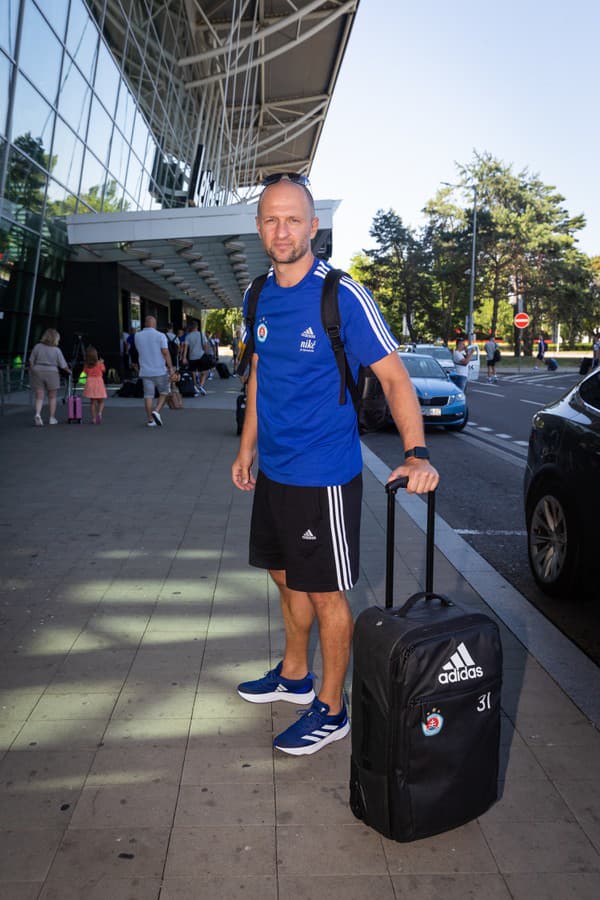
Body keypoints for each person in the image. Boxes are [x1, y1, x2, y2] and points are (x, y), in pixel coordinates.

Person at [231, 173, 439, 756]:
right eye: (271, 219)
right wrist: (247, 448)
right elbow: (259, 375)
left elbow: (395, 377)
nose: (281, 229)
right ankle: (294, 675)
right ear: (258, 227)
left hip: (323, 475)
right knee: (281, 573)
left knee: (324, 592)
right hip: (273, 469)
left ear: (313, 226)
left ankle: (331, 707)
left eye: (293, 218)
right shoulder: (254, 295)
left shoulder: (341, 294)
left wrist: (416, 453)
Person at [134, 315, 173, 427]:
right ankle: (156, 410)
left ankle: (151, 420)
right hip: (160, 370)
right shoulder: (161, 336)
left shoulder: (137, 336)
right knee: (164, 392)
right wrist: (170, 368)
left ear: (145, 324)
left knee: (148, 395)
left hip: (145, 371)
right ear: (154, 324)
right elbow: (165, 352)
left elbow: (138, 350)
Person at [28, 328, 71, 426]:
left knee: (39, 396)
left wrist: (33, 369)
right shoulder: (57, 350)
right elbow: (62, 365)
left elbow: (31, 360)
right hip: (52, 372)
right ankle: (52, 418)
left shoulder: (37, 347)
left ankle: (38, 414)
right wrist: (69, 371)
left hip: (38, 371)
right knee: (52, 397)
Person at [82, 346, 107, 424]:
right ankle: (99, 413)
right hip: (99, 382)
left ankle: (93, 418)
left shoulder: (86, 365)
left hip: (90, 382)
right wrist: (102, 363)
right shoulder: (99, 364)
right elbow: (104, 370)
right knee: (101, 401)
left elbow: (85, 372)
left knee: (92, 402)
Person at [184, 322, 208, 395]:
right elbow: (206, 345)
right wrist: (205, 352)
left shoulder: (188, 336)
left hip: (192, 357)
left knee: (193, 371)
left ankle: (195, 386)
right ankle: (201, 385)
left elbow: (186, 348)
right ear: (197, 327)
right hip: (201, 356)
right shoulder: (201, 334)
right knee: (204, 372)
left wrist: (184, 357)